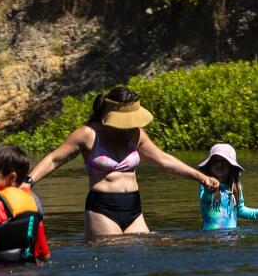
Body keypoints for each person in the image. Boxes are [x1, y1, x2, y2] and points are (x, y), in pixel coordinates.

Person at [26, 85, 219, 234]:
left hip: (134, 208)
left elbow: (164, 160)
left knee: (141, 261)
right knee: (114, 260)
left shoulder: (135, 134)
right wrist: (28, 183)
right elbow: (54, 159)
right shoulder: (88, 134)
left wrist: (201, 177)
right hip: (102, 208)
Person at [198, 142, 258, 230]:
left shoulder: (234, 187)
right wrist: (209, 188)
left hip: (231, 238)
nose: (219, 164)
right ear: (209, 165)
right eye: (215, 160)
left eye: (224, 161)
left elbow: (241, 211)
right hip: (211, 238)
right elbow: (205, 201)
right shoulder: (206, 186)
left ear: (231, 166)